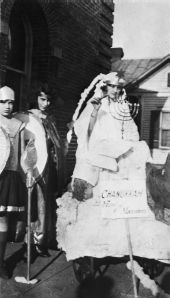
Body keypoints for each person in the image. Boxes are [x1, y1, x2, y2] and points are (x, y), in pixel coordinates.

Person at [67, 72, 151, 201]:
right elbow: (86, 130)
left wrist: (127, 141)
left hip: (119, 152)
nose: (115, 90)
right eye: (112, 86)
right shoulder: (98, 103)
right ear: (105, 86)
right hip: (100, 152)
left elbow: (131, 130)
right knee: (90, 194)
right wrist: (95, 112)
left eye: (118, 87)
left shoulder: (122, 105)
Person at [25, 83, 65, 258]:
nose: (45, 103)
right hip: (31, 165)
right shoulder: (27, 118)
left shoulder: (50, 119)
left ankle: (39, 241)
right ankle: (29, 242)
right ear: (35, 98)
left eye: (48, 100)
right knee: (31, 204)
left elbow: (56, 144)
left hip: (48, 166)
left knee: (43, 204)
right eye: (42, 99)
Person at [0, 86, 26, 279]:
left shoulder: (18, 124)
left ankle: (0, 262)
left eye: (10, 102)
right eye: (3, 102)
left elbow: (22, 153)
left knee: (3, 219)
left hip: (9, 175)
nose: (7, 106)